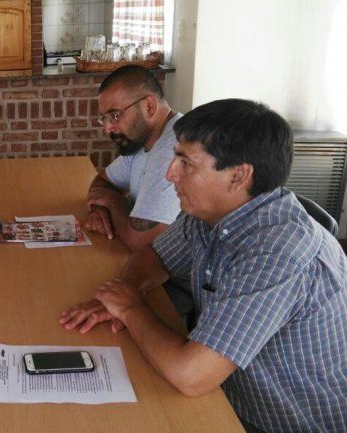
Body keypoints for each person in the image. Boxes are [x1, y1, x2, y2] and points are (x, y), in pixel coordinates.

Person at [61, 99, 347, 433]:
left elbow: (190, 375)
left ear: (238, 175)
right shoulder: (212, 213)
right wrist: (126, 291)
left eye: (186, 163)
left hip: (284, 422)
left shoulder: (277, 251)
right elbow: (155, 255)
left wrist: (130, 308)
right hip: (232, 394)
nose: (170, 174)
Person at [85, 65, 182, 252]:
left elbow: (142, 243)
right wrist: (100, 210)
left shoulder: (173, 150)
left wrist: (113, 202)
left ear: (149, 106)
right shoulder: (140, 140)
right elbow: (102, 182)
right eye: (104, 119)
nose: (108, 128)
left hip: (176, 279)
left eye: (115, 115)